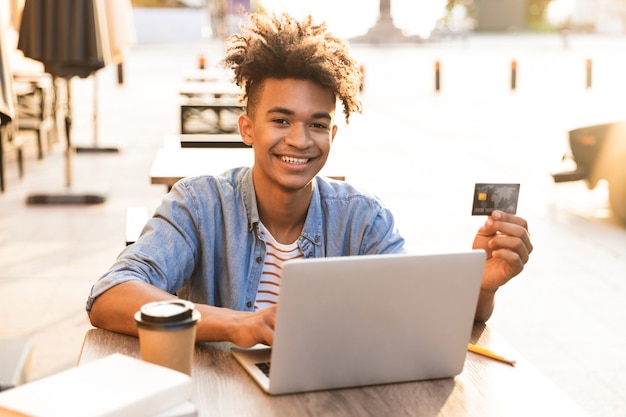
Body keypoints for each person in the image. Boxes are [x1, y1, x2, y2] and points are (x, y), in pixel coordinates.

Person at [86, 12, 533, 348]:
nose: (299, 140)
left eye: (318, 124)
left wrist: (482, 285)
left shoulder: (361, 218)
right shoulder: (199, 204)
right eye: (281, 119)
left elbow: (424, 315)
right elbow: (110, 295)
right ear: (247, 128)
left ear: (332, 135)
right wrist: (238, 324)